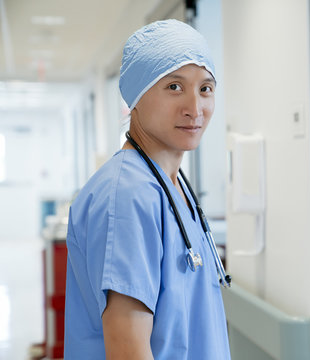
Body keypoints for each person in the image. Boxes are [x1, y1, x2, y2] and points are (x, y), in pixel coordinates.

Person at [64, 19, 231, 359]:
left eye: (205, 88)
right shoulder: (127, 195)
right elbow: (129, 349)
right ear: (137, 96)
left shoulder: (171, 184)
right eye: (174, 87)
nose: (195, 109)